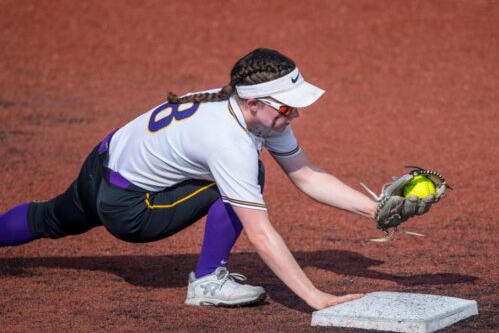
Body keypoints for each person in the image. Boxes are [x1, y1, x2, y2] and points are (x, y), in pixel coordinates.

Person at [0, 48, 377, 310]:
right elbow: (260, 233)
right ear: (254, 104)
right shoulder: (231, 143)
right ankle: (208, 282)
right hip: (132, 210)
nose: (295, 114)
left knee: (47, 217)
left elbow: (307, 177)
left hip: (101, 164)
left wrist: (376, 210)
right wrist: (314, 296)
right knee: (246, 177)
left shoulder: (236, 104)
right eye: (287, 105)